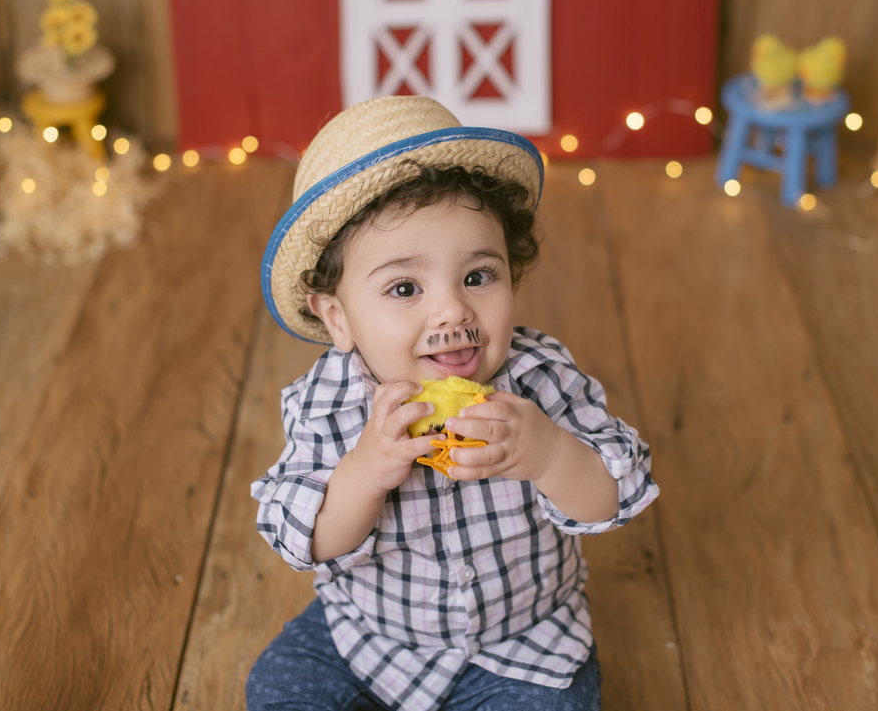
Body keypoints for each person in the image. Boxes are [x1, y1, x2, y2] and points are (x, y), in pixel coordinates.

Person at [248, 95, 659, 711]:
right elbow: (302, 538)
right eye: (405, 287)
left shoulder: (538, 377)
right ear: (338, 317)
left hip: (523, 643)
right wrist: (364, 472)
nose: (453, 311)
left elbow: (617, 494)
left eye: (477, 276)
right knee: (278, 688)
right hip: (372, 637)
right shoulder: (327, 403)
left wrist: (549, 453)